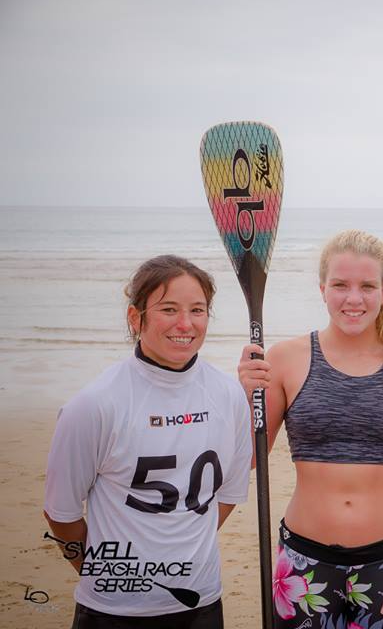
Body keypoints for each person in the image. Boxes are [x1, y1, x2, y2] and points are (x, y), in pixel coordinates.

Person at [237, 230, 383, 629]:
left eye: (367, 286)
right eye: (340, 285)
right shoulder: (285, 359)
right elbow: (248, 458)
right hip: (303, 560)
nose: (353, 298)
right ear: (322, 290)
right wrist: (246, 397)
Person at [43, 255, 252, 629]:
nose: (185, 324)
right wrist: (103, 573)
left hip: (201, 602)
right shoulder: (93, 405)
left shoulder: (229, 396)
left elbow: (228, 495)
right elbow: (61, 514)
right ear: (135, 317)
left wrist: (180, 549)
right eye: (168, 309)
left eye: (197, 310)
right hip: (111, 612)